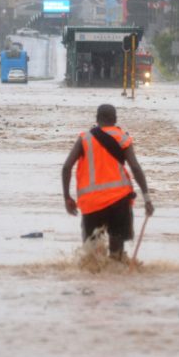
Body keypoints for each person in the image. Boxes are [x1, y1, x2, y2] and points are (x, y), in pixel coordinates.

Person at [61, 104, 154, 261]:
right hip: (119, 200)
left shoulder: (85, 139)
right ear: (115, 119)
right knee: (117, 254)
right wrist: (147, 199)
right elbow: (136, 169)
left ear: (97, 119)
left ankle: (94, 281)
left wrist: (67, 198)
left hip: (92, 203)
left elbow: (66, 168)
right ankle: (116, 278)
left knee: (92, 254)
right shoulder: (122, 138)